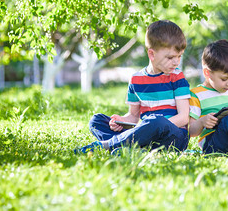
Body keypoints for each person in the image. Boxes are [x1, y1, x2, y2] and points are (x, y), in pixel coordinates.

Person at [74, 20, 191, 154]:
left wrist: (153, 125)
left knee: (156, 121)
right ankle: (133, 149)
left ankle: (108, 144)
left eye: (179, 56)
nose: (176, 62)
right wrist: (121, 121)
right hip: (145, 133)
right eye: (170, 57)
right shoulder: (136, 79)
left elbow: (183, 117)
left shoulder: (177, 78)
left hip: (174, 137)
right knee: (97, 121)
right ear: (152, 54)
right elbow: (133, 116)